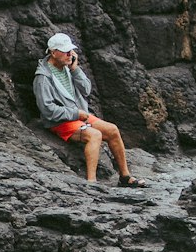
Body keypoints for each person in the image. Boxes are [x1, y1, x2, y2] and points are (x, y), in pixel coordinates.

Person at [33, 33, 144, 186]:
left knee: (112, 130)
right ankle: (91, 182)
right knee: (95, 135)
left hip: (78, 115)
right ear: (53, 52)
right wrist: (76, 113)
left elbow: (86, 89)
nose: (69, 54)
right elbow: (47, 110)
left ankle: (125, 177)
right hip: (59, 121)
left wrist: (75, 69)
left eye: (70, 51)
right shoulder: (43, 78)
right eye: (65, 51)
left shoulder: (67, 67)